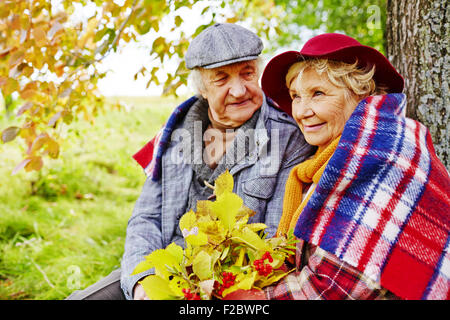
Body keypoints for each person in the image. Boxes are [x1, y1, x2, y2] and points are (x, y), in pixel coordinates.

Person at [66, 23, 314, 300]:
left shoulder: (288, 138)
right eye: (221, 79)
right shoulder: (175, 133)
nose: (239, 90)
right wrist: (141, 283)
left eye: (247, 74)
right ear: (202, 88)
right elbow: (145, 218)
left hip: (232, 286)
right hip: (162, 270)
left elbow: (271, 242)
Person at [251, 32, 449, 300]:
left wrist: (254, 300)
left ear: (360, 93)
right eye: (296, 96)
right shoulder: (326, 157)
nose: (301, 111)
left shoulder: (381, 153)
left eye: (317, 93)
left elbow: (337, 287)